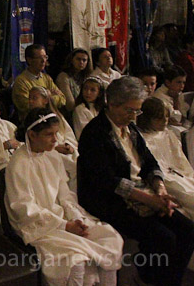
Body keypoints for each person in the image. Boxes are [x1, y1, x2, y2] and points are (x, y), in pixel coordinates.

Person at [77, 76, 194, 285]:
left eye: (137, 111)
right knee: (163, 238)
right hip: (111, 200)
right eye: (129, 110)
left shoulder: (130, 128)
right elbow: (106, 181)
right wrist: (150, 200)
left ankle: (167, 281)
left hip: (142, 193)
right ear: (112, 104)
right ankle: (149, 278)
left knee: (188, 230)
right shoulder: (95, 133)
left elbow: (149, 161)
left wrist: (159, 189)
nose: (133, 116)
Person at [5, 108, 123, 286]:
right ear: (32, 135)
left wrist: (75, 218)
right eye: (49, 134)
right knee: (75, 260)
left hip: (62, 217)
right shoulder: (18, 164)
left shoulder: (52, 155)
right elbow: (24, 208)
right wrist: (65, 225)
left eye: (56, 133)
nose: (55, 139)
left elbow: (64, 194)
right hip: (38, 225)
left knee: (110, 238)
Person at [137, 97, 194, 220]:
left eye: (167, 117)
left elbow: (180, 159)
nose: (165, 121)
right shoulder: (142, 139)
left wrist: (188, 175)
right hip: (164, 178)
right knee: (187, 196)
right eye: (159, 118)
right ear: (147, 118)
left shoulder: (168, 134)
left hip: (180, 174)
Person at [28, 86, 79, 190]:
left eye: (34, 98)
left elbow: (69, 135)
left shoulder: (57, 117)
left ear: (45, 100)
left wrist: (68, 146)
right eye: (29, 98)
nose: (30, 101)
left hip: (65, 150)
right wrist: (55, 148)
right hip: (48, 152)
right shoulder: (31, 120)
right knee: (74, 167)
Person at [12, 44, 66, 120]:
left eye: (45, 57)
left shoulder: (46, 78)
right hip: (32, 120)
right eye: (40, 58)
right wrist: (50, 96)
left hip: (50, 117)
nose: (43, 61)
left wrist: (42, 100)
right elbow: (28, 105)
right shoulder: (21, 81)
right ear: (29, 60)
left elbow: (62, 99)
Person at [152, 64, 191, 131]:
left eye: (183, 82)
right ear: (168, 82)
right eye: (178, 82)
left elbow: (184, 117)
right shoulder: (159, 96)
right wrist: (176, 101)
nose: (182, 86)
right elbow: (177, 119)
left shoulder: (177, 93)